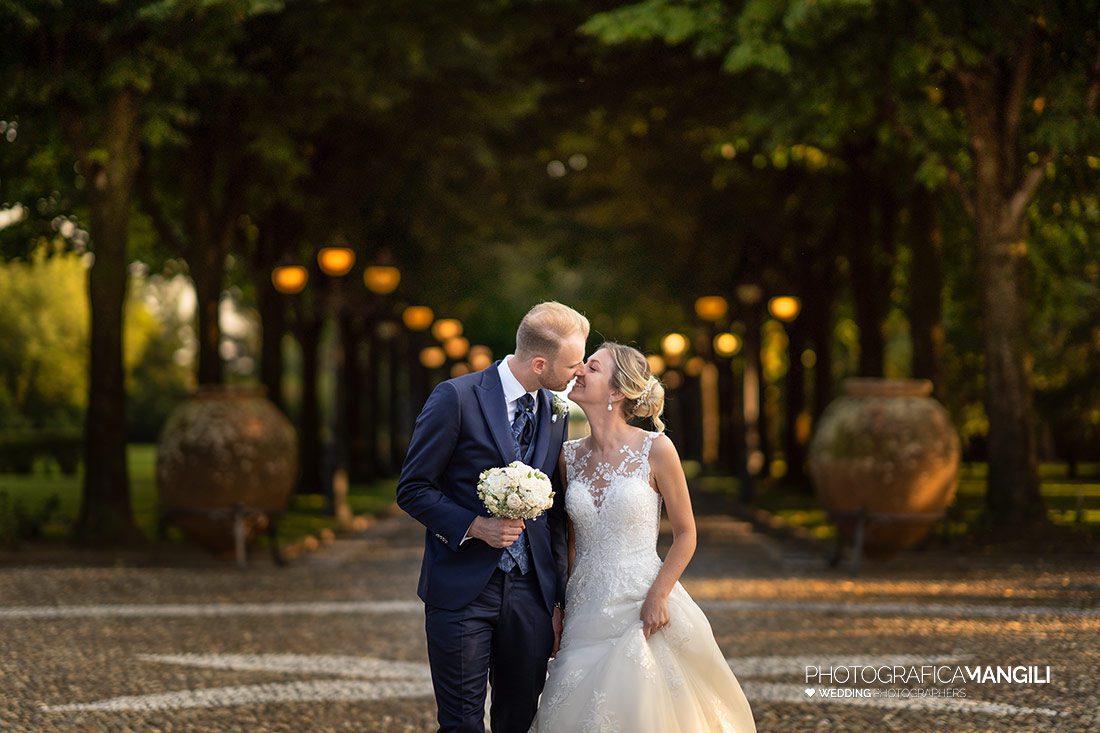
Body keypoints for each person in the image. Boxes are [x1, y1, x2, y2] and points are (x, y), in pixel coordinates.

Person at [530, 342, 757, 732]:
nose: (579, 370)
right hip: (585, 608)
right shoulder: (568, 456)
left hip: (641, 601)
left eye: (593, 368)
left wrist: (658, 595)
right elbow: (569, 542)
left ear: (617, 392)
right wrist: (558, 606)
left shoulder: (657, 449)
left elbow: (686, 534)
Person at [396, 301, 589, 733]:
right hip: (462, 589)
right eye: (573, 364)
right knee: (462, 723)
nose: (579, 371)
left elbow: (556, 516)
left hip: (531, 596)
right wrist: (474, 526)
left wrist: (556, 600)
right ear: (539, 364)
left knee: (519, 721)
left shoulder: (555, 412)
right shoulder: (456, 397)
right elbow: (413, 489)